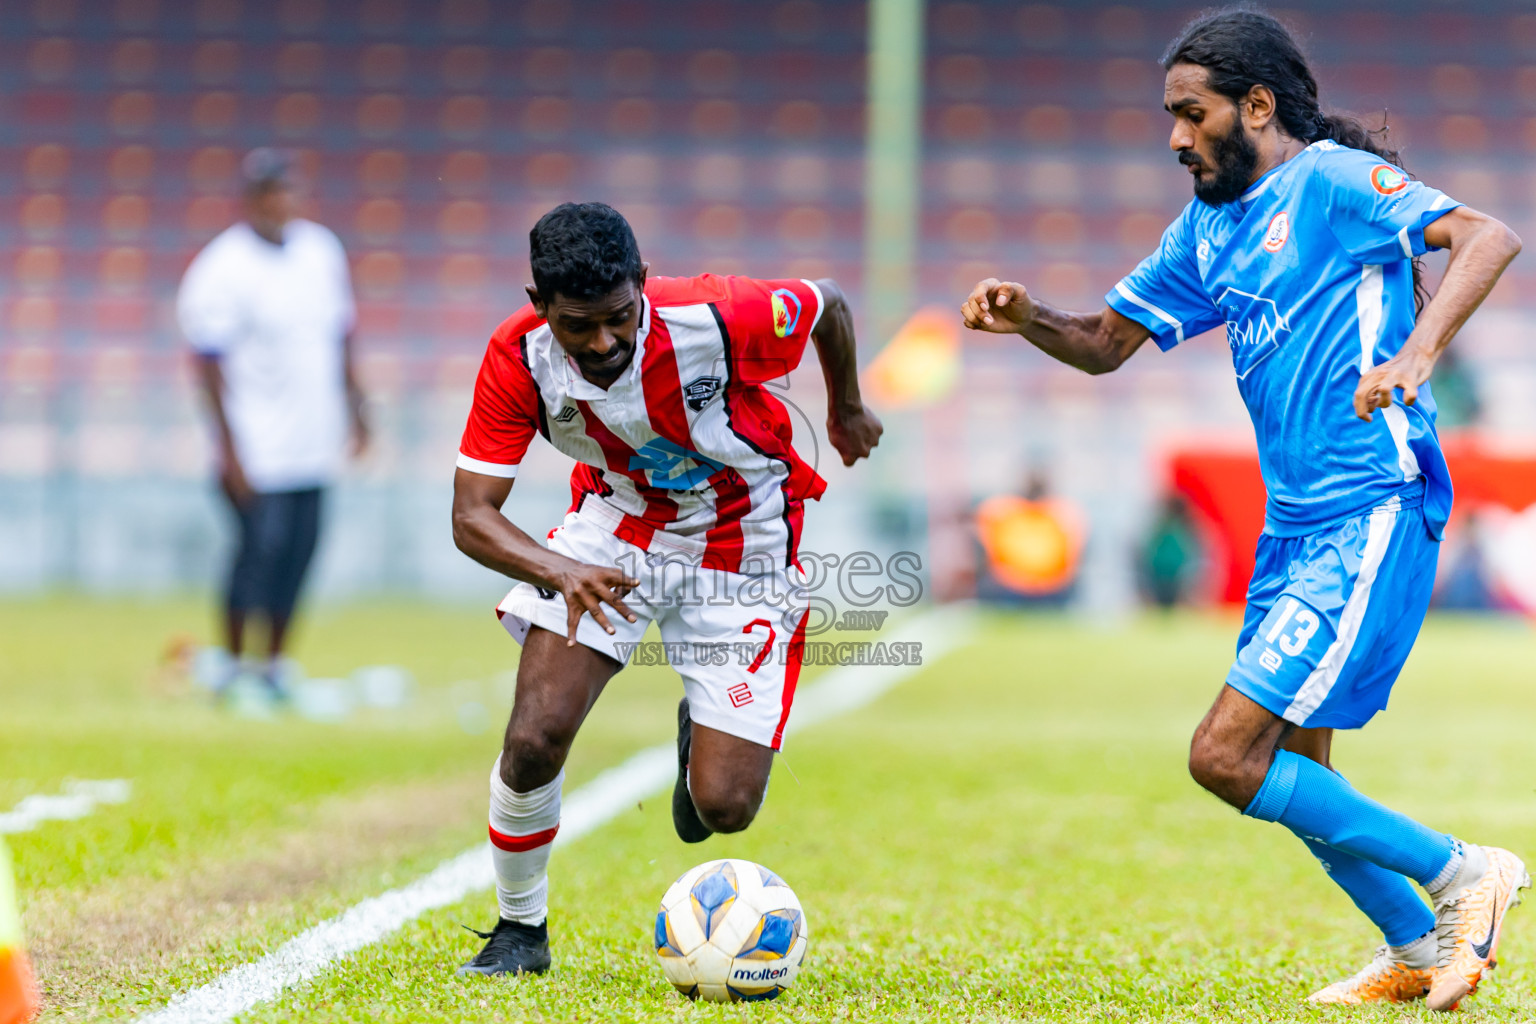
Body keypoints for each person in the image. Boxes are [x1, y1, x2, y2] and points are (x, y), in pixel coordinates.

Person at [962, 7, 1526, 1012]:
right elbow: (1102, 340)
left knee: (1224, 756)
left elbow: (1487, 237)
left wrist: (1417, 353)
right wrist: (1027, 318)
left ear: (1256, 105)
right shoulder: (1208, 226)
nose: (1175, 137)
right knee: (1302, 768)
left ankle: (1460, 871)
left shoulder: (1330, 185)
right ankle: (1413, 946)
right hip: (1295, 525)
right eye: (1169, 116)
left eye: (1192, 113)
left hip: (1373, 505)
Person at [450, 202, 882, 976]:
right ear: (539, 306)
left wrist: (845, 405)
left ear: (642, 285)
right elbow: (472, 517)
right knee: (533, 738)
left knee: (726, 808)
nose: (604, 341)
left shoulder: (718, 316)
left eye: (619, 317)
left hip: (744, 537)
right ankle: (521, 930)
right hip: (613, 529)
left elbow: (828, 303)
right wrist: (562, 569)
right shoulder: (517, 358)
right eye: (578, 325)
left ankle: (699, 732)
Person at [178, 148, 369, 699]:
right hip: (257, 446)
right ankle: (236, 668)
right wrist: (229, 450)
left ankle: (275, 666)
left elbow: (341, 335)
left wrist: (359, 410)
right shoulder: (222, 268)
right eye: (270, 192)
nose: (280, 202)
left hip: (313, 439)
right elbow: (207, 366)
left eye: (287, 191)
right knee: (255, 557)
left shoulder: (320, 250)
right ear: (251, 198)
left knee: (299, 555)